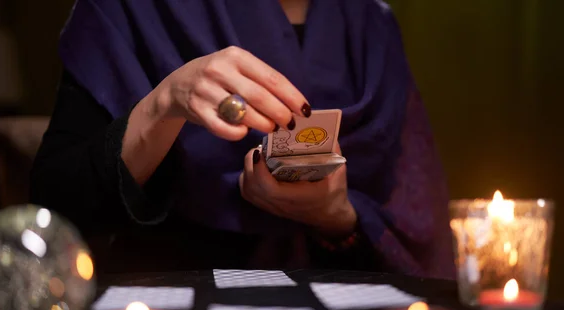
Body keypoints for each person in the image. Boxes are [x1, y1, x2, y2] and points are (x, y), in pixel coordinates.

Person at [30, 0, 454, 278]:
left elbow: (414, 225)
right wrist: (167, 103)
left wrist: (336, 217)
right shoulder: (134, 10)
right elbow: (55, 208)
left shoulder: (371, 25)